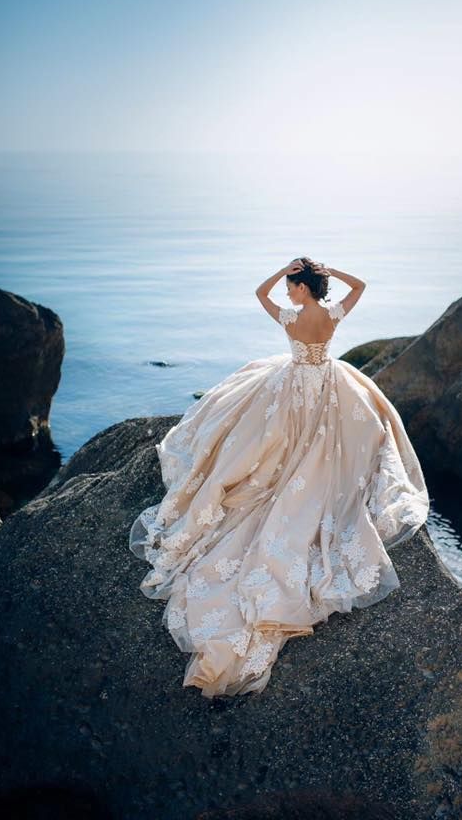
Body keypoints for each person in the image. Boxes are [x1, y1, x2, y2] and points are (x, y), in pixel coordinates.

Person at [128, 257, 429, 697]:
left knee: (265, 444)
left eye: (292, 285)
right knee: (324, 447)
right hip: (326, 384)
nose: (288, 292)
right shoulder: (330, 314)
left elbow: (259, 294)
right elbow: (360, 285)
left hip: (293, 389)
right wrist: (329, 274)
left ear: (301, 288)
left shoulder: (290, 316)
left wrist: (283, 273)